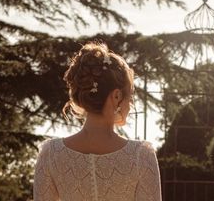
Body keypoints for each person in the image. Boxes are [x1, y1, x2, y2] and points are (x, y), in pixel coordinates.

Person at [33, 42, 162, 201]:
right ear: (116, 96)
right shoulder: (141, 156)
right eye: (130, 95)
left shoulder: (50, 154)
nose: (131, 103)